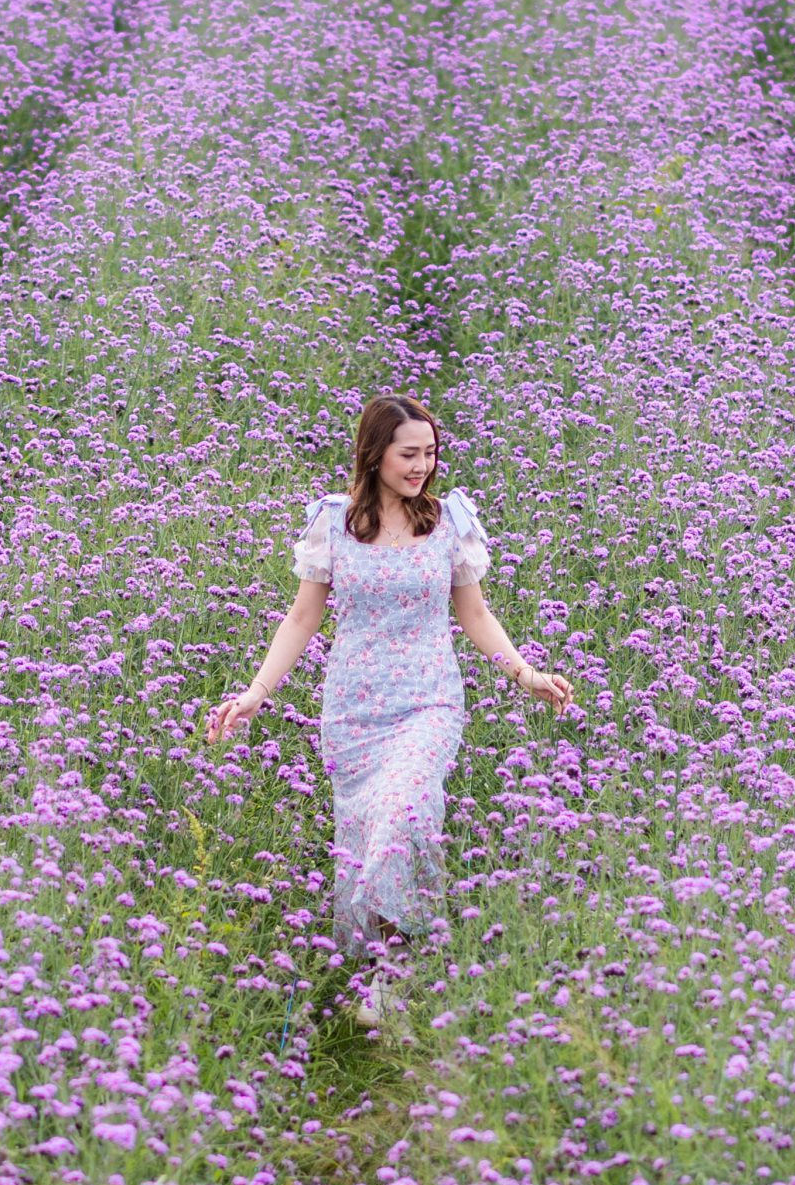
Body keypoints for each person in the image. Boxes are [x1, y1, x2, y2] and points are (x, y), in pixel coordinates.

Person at [206, 394, 573, 1018]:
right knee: (369, 834)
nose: (423, 466)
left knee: (405, 811)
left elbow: (475, 613)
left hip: (429, 700)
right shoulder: (334, 525)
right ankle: (385, 966)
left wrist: (524, 672)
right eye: (409, 454)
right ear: (374, 454)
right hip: (352, 710)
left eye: (430, 453)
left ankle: (398, 965)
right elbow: (300, 619)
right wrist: (254, 694)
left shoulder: (449, 522)